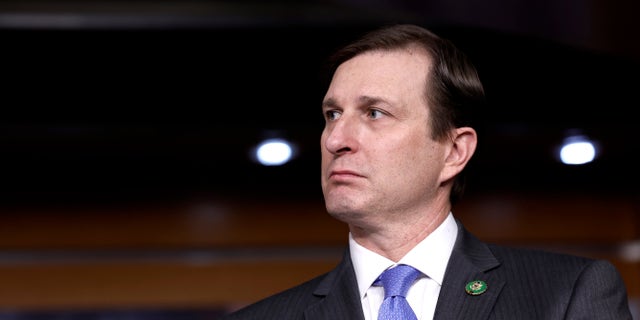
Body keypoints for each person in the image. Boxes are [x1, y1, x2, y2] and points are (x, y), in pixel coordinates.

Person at [221, 24, 633, 320]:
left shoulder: (566, 295)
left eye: (375, 113)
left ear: (454, 151)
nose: (335, 140)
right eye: (332, 114)